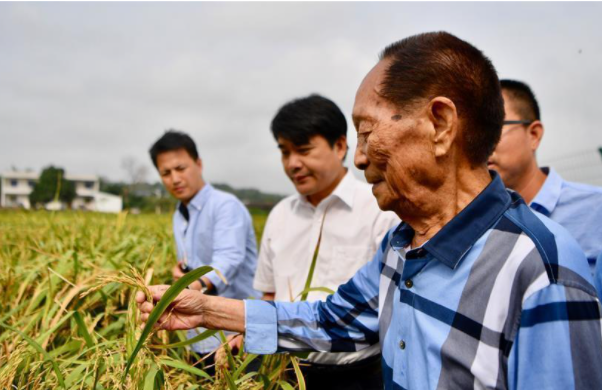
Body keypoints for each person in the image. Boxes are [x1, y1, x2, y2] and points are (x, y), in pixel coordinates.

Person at [139, 32, 602, 389]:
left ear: (439, 125)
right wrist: (204, 310)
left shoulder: (542, 272)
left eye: (366, 133)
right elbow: (332, 321)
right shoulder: (401, 245)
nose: (359, 159)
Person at [220, 94, 398, 390]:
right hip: (282, 371)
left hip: (356, 374)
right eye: (284, 152)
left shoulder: (379, 211)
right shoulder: (279, 215)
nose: (293, 164)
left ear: (340, 146)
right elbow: (269, 293)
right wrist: (244, 333)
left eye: (303, 150)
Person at [148, 130, 258, 364]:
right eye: (166, 173)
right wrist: (183, 274)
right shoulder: (180, 214)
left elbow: (228, 260)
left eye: (181, 168)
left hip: (234, 336)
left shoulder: (225, 206)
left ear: (199, 164)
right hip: (197, 334)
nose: (175, 179)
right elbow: (195, 263)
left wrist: (189, 285)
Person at [488, 79, 602, 272]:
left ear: (533, 134)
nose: (481, 143)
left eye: (493, 128)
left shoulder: (595, 210)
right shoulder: (475, 225)